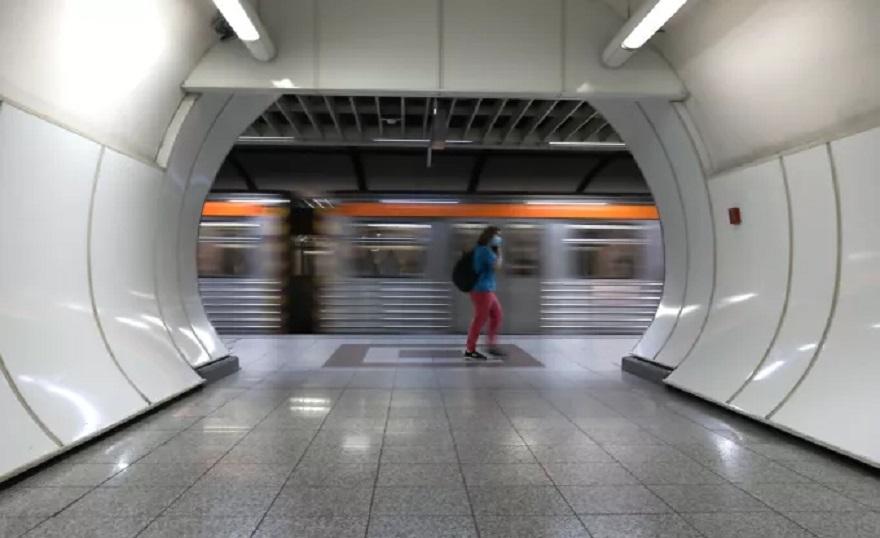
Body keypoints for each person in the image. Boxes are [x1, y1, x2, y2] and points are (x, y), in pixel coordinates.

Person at [464, 226, 505, 360]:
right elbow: (497, 266)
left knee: (496, 315)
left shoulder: (482, 250)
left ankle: (491, 345)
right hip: (482, 290)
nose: (499, 238)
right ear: (490, 236)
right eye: (497, 236)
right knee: (480, 319)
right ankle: (470, 350)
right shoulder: (484, 251)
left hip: (486, 290)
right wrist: (499, 251)